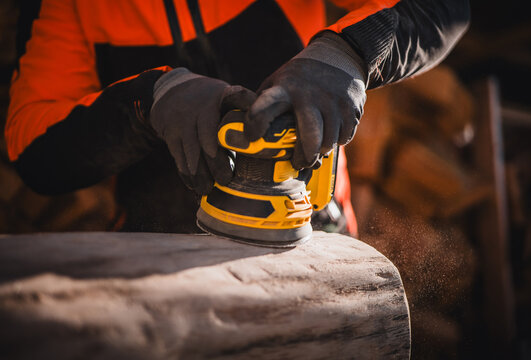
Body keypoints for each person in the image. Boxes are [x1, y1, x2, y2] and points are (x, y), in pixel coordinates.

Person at [5, 0, 470, 235]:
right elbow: (32, 150)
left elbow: (444, 7)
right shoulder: (68, 6)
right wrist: (149, 102)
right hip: (159, 252)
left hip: (310, 225)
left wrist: (349, 52)